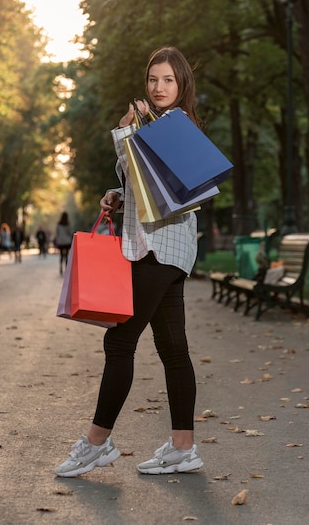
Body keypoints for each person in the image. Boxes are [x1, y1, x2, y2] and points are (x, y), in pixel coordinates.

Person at [54, 46, 204, 477]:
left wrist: (124, 135)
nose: (159, 88)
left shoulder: (177, 127)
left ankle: (96, 443)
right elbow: (145, 185)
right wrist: (118, 194)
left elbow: (168, 191)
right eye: (153, 80)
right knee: (173, 349)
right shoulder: (157, 125)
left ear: (182, 85)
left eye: (168, 80)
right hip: (161, 246)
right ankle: (183, 448)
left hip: (159, 248)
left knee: (120, 342)